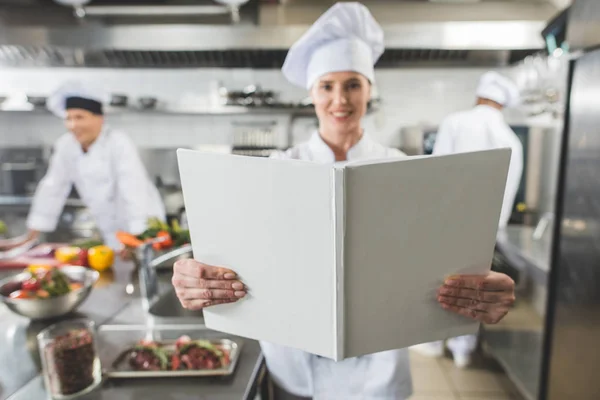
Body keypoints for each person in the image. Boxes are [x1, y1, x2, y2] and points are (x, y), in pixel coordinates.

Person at [171, 3, 516, 399]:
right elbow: (232, 259)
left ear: (370, 89)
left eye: (352, 84)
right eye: (327, 85)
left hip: (380, 376)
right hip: (293, 371)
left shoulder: (405, 171)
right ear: (312, 94)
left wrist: (480, 290)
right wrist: (196, 276)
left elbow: (443, 267)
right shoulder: (276, 170)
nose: (340, 99)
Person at [412, 71, 524, 368]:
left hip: (447, 223)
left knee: (442, 286)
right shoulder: (512, 139)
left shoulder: (455, 122)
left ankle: (434, 342)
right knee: (473, 287)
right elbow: (508, 194)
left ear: (479, 96)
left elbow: (437, 174)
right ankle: (464, 350)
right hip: (486, 232)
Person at [2, 81, 165, 252]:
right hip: (110, 232)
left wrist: (136, 236)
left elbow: (133, 190)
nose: (73, 125)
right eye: (68, 118)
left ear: (100, 118)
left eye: (79, 117)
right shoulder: (66, 145)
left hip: (144, 228)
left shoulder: (119, 143)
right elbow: (53, 187)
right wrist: (31, 235)